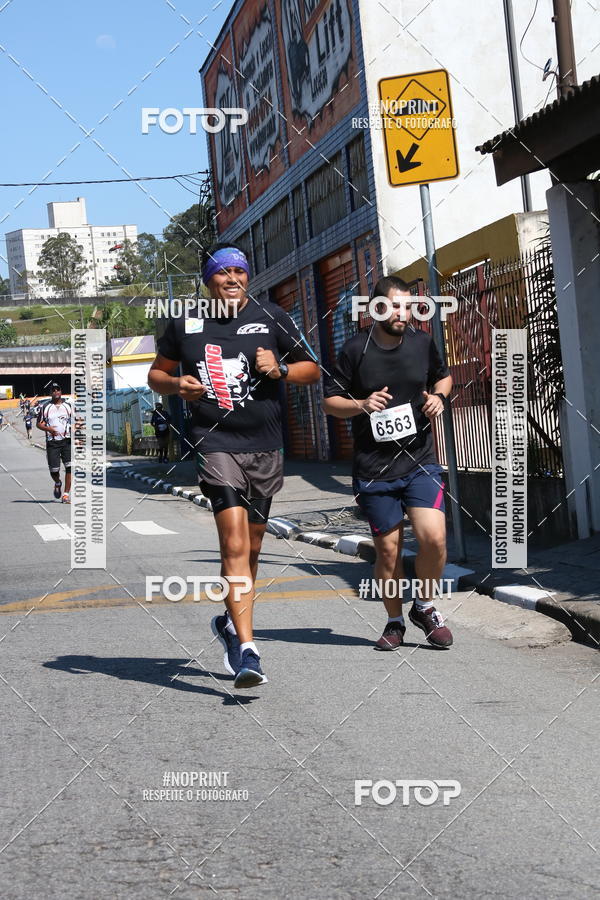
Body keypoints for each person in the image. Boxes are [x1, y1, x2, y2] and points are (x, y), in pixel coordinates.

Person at [148, 243, 320, 688]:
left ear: (248, 277)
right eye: (222, 273)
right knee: (234, 545)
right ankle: (248, 650)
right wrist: (176, 383)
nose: (231, 279)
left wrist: (280, 368)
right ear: (208, 281)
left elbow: (313, 370)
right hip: (215, 442)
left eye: (239, 272)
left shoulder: (273, 318)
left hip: (264, 444)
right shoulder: (184, 324)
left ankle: (229, 622)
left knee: (254, 549)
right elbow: (156, 374)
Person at [323, 276, 454, 650]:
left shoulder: (421, 343)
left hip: (420, 461)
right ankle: (395, 621)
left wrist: (439, 400)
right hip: (374, 469)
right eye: (393, 305)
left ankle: (425, 606)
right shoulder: (354, 351)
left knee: (434, 538)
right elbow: (329, 402)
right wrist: (361, 405)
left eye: (407, 306)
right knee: (389, 551)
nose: (402, 313)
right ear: (375, 308)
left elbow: (443, 378)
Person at [36, 382, 73, 503]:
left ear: (61, 391)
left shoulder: (68, 406)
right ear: (51, 393)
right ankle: (57, 482)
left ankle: (66, 495)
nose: (56, 392)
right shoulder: (45, 407)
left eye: (58, 390)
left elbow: (75, 421)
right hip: (52, 443)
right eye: (53, 390)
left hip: (67, 441)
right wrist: (48, 429)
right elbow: (38, 424)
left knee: (69, 467)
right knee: (54, 470)